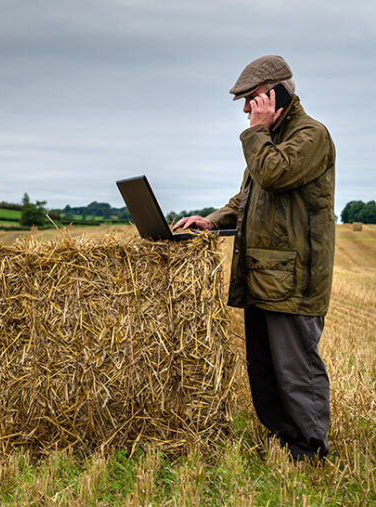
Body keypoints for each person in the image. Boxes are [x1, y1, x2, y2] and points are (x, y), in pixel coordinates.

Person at [173, 55, 335, 462]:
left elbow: (274, 175)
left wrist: (256, 133)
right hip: (264, 274)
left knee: (295, 370)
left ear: (276, 94)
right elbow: (247, 197)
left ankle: (310, 449)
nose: (246, 110)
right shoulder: (270, 139)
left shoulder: (310, 136)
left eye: (251, 99)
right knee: (264, 370)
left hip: (295, 279)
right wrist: (209, 222)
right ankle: (283, 438)